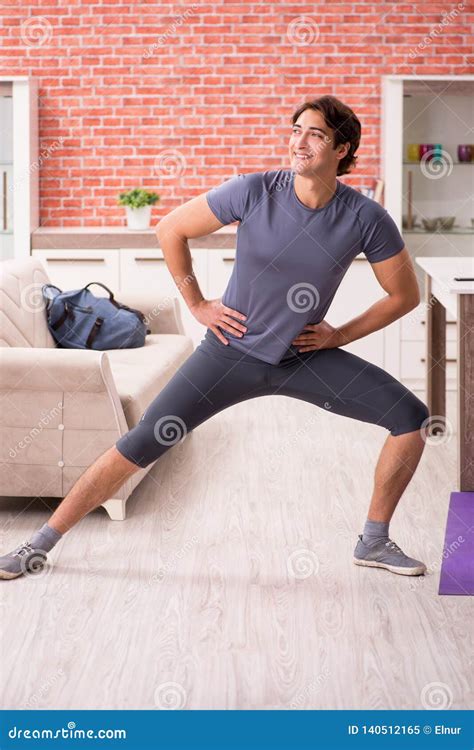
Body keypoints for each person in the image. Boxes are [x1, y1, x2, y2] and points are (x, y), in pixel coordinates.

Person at [0, 95, 430, 580]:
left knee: (410, 419)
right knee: (142, 441)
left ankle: (373, 540)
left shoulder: (364, 217)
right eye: (295, 129)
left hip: (302, 357)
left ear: (342, 148)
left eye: (315, 133)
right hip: (230, 352)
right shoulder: (254, 191)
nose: (299, 141)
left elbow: (403, 295)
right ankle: (38, 544)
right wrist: (198, 305)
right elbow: (171, 229)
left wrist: (339, 336)